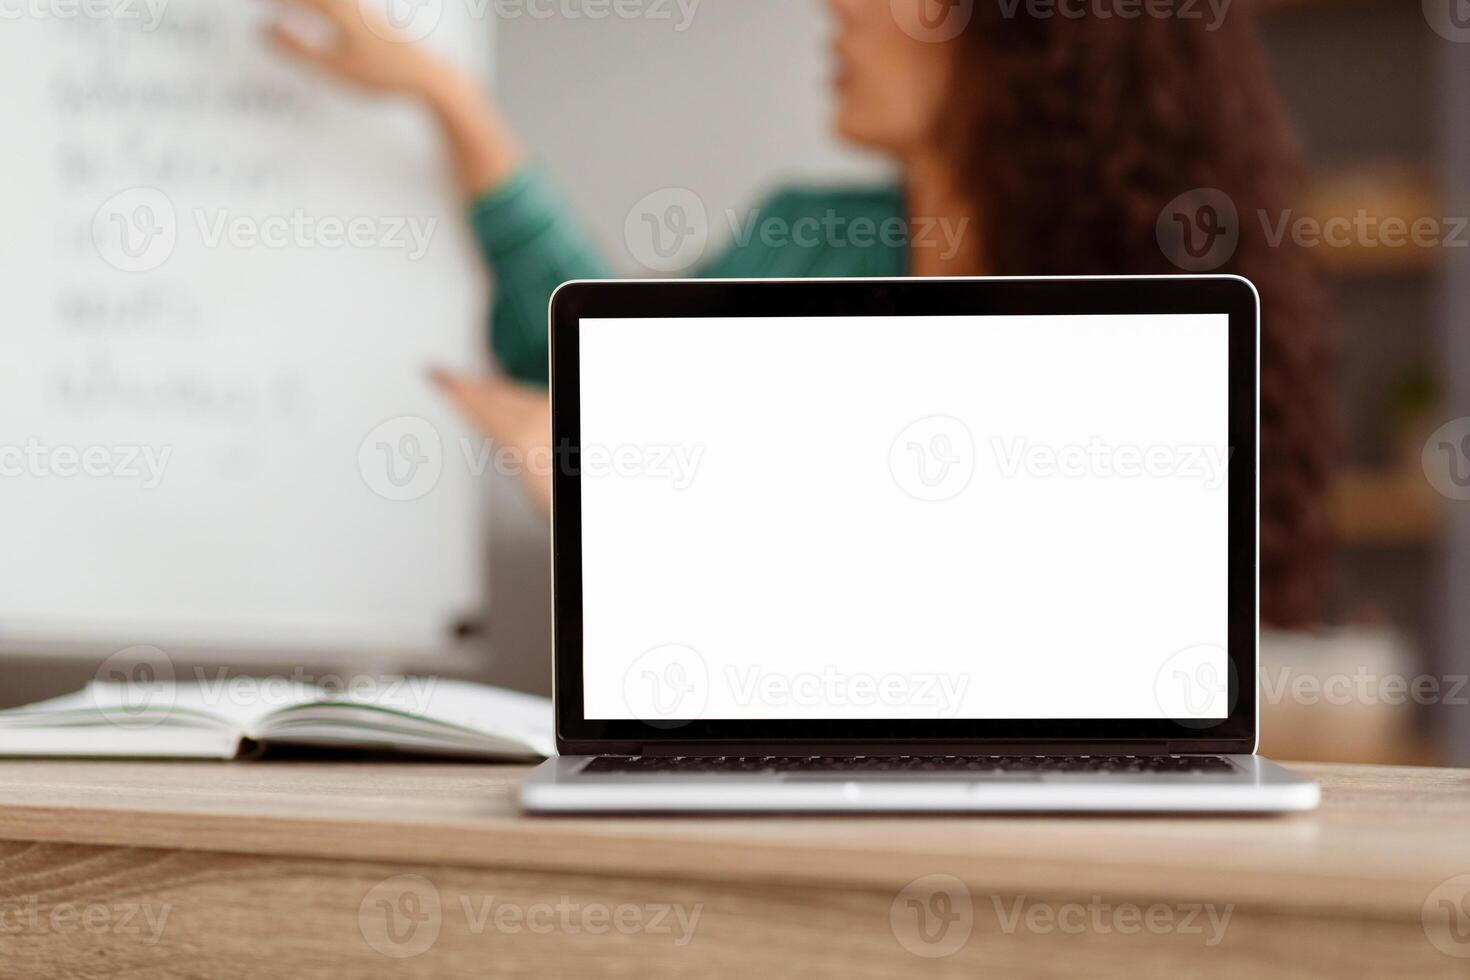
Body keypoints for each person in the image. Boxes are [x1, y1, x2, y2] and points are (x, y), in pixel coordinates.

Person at [273, 0, 1333, 628]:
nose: (841, 7)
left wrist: (642, 518)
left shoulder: (1138, 313)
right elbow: (590, 372)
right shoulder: (803, 240)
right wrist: (450, 100)